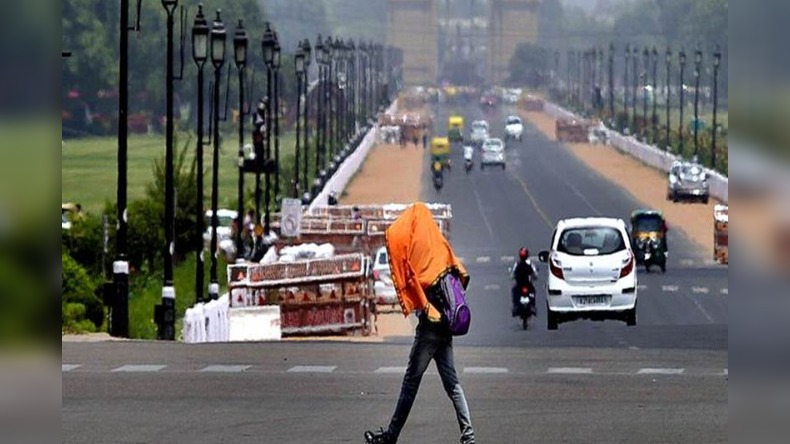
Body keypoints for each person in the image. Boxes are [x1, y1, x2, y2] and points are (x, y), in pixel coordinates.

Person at [365, 202, 475, 444]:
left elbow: (414, 286)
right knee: (452, 383)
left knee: (410, 383)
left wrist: (428, 309)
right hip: (446, 327)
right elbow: (462, 275)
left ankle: (391, 437)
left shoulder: (418, 255)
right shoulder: (439, 247)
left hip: (429, 330)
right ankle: (469, 437)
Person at [511, 247, 537, 317]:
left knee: (514, 292)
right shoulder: (529, 264)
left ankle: (516, 306)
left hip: (521, 284)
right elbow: (534, 273)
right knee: (532, 292)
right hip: (526, 284)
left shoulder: (518, 264)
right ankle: (532, 306)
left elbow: (513, 273)